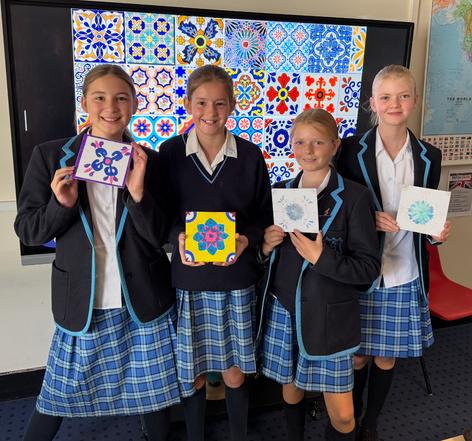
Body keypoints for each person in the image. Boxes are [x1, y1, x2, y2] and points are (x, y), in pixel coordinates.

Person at [15, 65, 179, 441]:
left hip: (141, 297)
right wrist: (61, 205)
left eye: (121, 98)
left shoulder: (148, 161)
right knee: (57, 395)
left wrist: (138, 194)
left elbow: (159, 236)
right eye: (100, 98)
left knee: (154, 395)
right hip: (83, 300)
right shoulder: (50, 156)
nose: (111, 107)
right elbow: (29, 230)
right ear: (85, 103)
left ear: (134, 104)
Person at [335, 65, 451, 441]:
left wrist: (436, 234)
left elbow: (426, 214)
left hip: (404, 271)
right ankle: (351, 419)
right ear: (373, 103)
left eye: (403, 96)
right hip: (360, 269)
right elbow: (334, 206)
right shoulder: (349, 149)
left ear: (415, 100)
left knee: (386, 356)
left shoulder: (430, 156)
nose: (394, 104)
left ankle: (371, 423)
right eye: (385, 97)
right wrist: (367, 218)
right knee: (357, 356)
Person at [157, 65, 272, 441]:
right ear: (188, 104)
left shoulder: (250, 156)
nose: (210, 112)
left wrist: (247, 240)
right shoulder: (170, 153)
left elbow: (264, 216)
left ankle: (238, 434)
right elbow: (161, 216)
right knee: (193, 372)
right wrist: (178, 238)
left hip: (236, 278)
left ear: (232, 105)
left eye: (220, 103)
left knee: (235, 370)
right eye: (202, 102)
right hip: (189, 280)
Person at [257, 108, 380, 441]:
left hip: (330, 319)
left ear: (335, 145)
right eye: (300, 142)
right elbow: (265, 262)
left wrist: (321, 258)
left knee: (343, 416)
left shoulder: (354, 197)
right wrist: (265, 247)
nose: (308, 150)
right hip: (284, 311)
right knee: (291, 388)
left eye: (318, 142)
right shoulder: (280, 191)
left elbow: (368, 269)